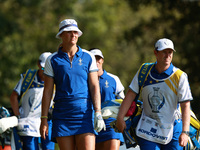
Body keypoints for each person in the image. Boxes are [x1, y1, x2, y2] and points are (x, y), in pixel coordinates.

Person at [39, 19, 105, 150]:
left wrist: (98, 112)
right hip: (62, 114)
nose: (74, 35)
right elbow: (47, 91)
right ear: (61, 35)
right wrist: (44, 119)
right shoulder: (52, 60)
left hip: (85, 113)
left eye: (76, 32)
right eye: (69, 32)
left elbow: (94, 86)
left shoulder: (88, 57)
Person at [116, 38, 192, 150]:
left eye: (170, 52)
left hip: (173, 128)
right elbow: (131, 94)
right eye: (164, 52)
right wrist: (120, 117)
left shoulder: (180, 76)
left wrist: (185, 132)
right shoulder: (144, 70)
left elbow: (185, 105)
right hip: (147, 128)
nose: (168, 55)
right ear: (155, 53)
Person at [10, 52, 55, 150]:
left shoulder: (56, 79)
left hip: (47, 121)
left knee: (48, 147)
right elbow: (14, 96)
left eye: (49, 68)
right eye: (44, 68)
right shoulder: (28, 77)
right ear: (38, 65)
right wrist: (17, 116)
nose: (46, 72)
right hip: (28, 121)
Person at [90, 48, 125, 150]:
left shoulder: (113, 79)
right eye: (93, 59)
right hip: (91, 125)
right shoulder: (84, 80)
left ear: (102, 60)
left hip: (111, 125)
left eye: (99, 59)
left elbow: (123, 101)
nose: (97, 62)